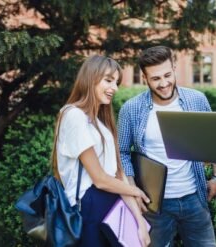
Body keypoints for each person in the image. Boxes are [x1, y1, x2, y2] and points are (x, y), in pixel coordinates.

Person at [117, 46, 216, 247]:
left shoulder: (196, 100)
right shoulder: (131, 109)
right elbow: (122, 152)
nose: (164, 83)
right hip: (154, 205)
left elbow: (213, 138)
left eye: (167, 75)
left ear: (174, 68)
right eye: (156, 79)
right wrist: (133, 191)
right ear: (145, 78)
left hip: (195, 198)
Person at [52, 55, 151, 247]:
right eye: (108, 80)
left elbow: (118, 174)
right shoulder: (74, 115)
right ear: (90, 78)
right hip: (89, 208)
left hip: (110, 205)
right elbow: (99, 179)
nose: (114, 88)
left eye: (116, 82)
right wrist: (136, 190)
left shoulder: (100, 122)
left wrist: (139, 222)